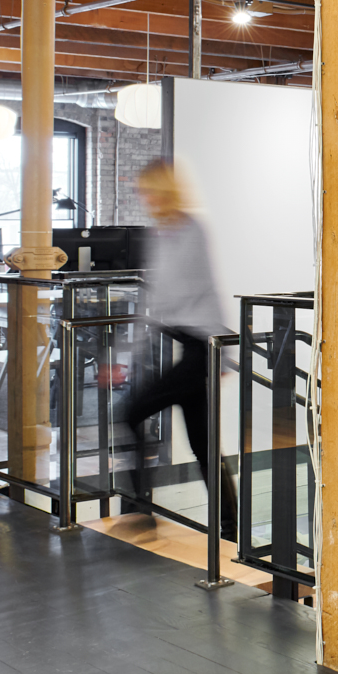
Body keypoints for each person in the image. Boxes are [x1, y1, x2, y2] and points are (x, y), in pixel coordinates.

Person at [122, 160, 235, 537]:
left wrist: (224, 352)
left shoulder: (189, 229)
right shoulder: (162, 233)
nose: (144, 197)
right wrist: (133, 349)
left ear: (164, 191)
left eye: (148, 190)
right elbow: (156, 297)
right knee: (203, 443)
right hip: (186, 345)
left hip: (201, 347)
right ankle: (232, 528)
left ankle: (139, 510)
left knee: (133, 412)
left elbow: (194, 289)